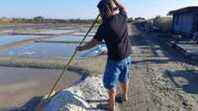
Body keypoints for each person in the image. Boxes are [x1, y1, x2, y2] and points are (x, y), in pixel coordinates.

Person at [76, 0, 132, 111]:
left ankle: (111, 107)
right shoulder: (121, 17)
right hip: (127, 55)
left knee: (110, 84)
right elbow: (123, 8)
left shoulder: (104, 27)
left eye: (100, 12)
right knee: (124, 78)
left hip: (115, 60)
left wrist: (81, 48)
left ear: (103, 11)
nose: (100, 14)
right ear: (112, 8)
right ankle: (124, 96)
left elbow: (94, 42)